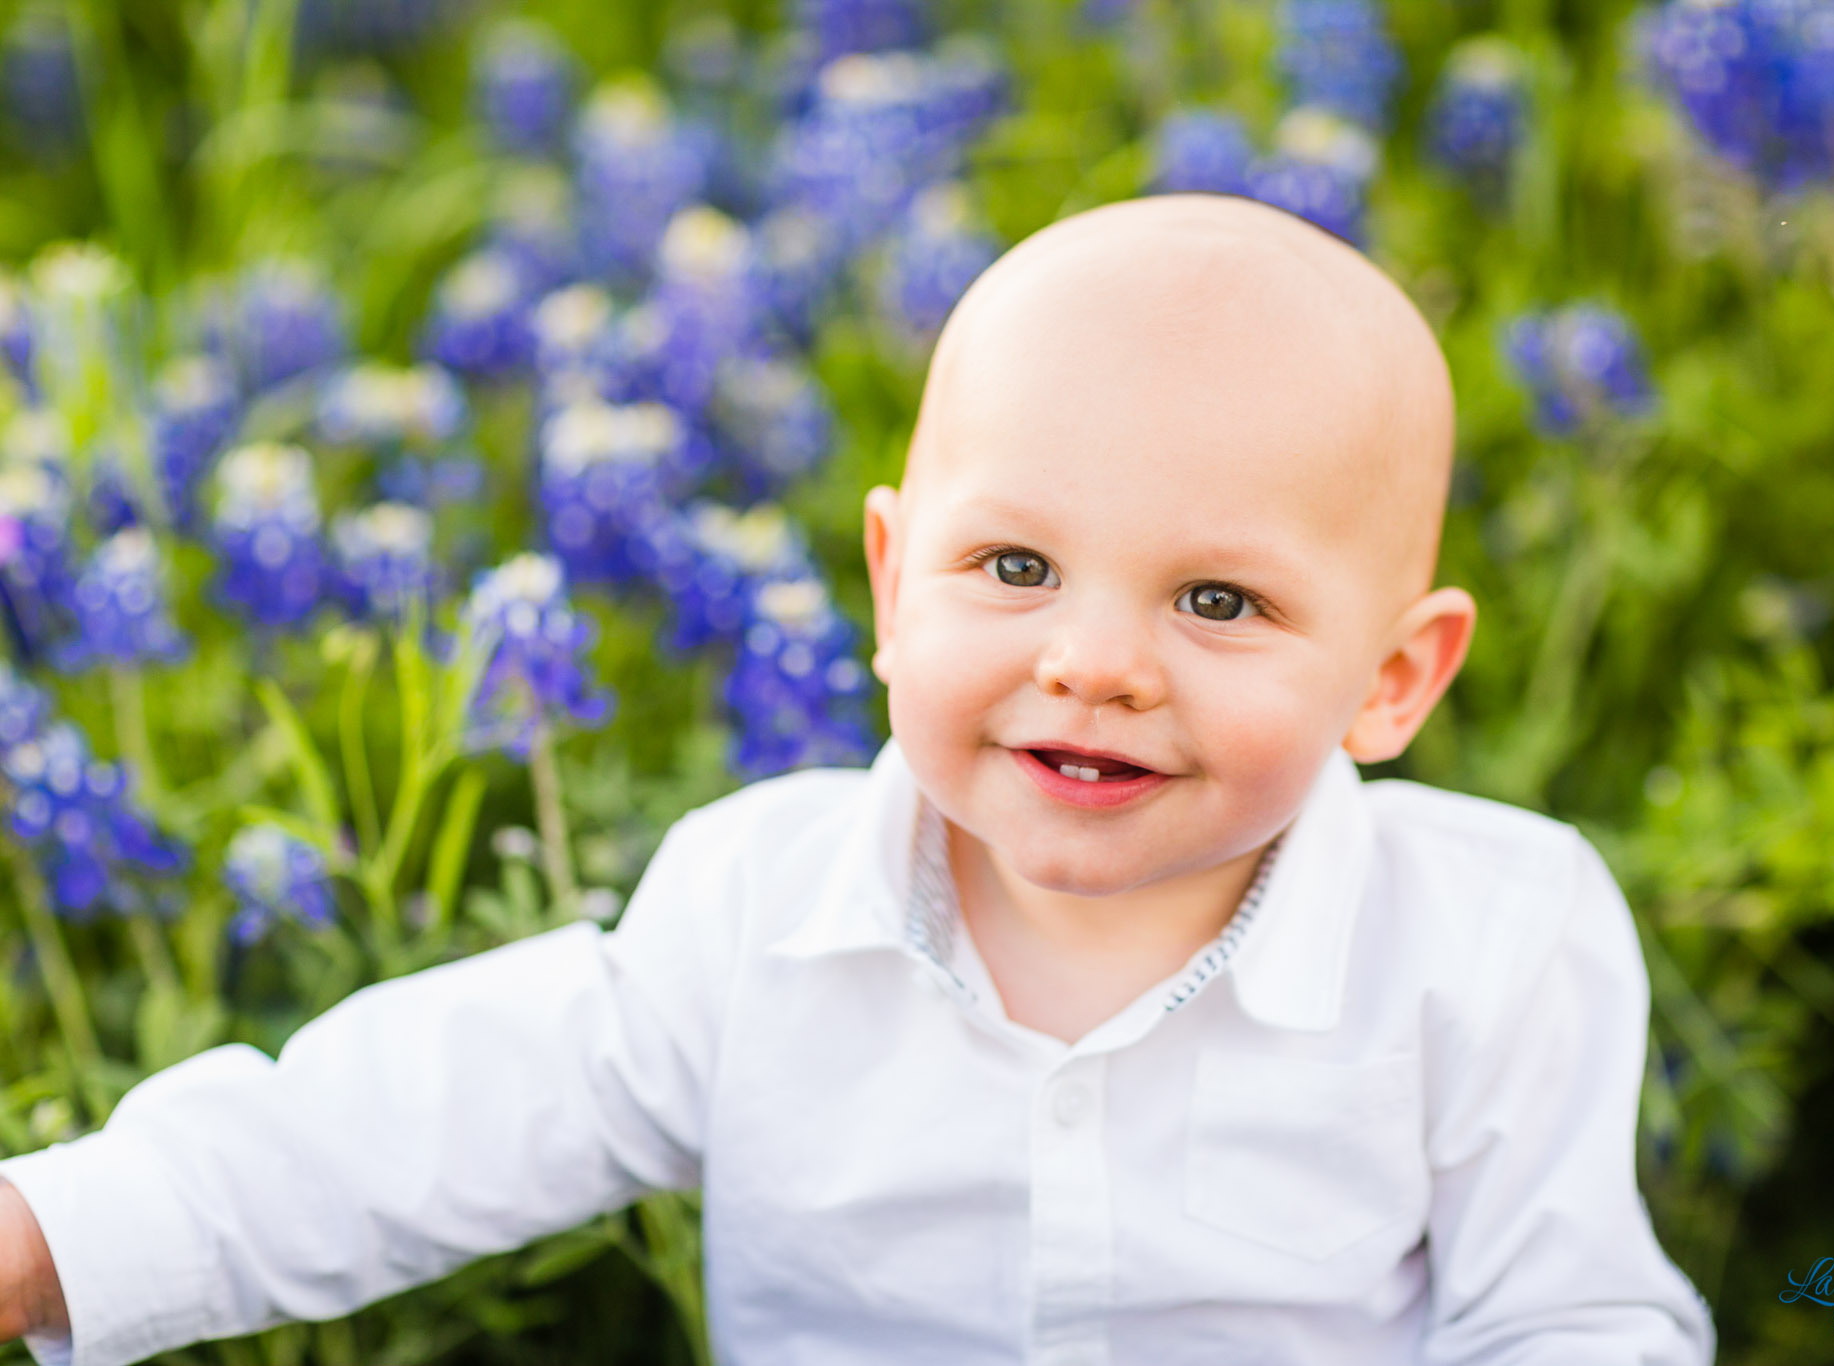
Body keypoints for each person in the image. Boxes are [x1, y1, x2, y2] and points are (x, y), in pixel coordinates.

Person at [0, 192, 1717, 1365]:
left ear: (1396, 677)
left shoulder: (1494, 934)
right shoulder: (757, 902)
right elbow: (402, 1127)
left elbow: (1573, 1315)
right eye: (1017, 568)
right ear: (891, 585)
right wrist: (54, 1230)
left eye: (1219, 599)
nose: (1095, 661)